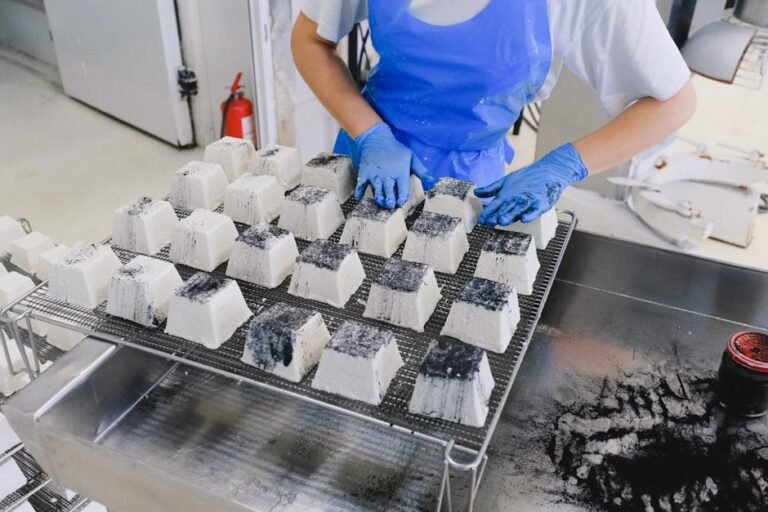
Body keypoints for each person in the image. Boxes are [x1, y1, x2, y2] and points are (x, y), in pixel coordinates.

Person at [291, 0, 696, 225]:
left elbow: (673, 101)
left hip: (470, 181)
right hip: (369, 158)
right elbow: (310, 41)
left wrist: (564, 165)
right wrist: (371, 135)